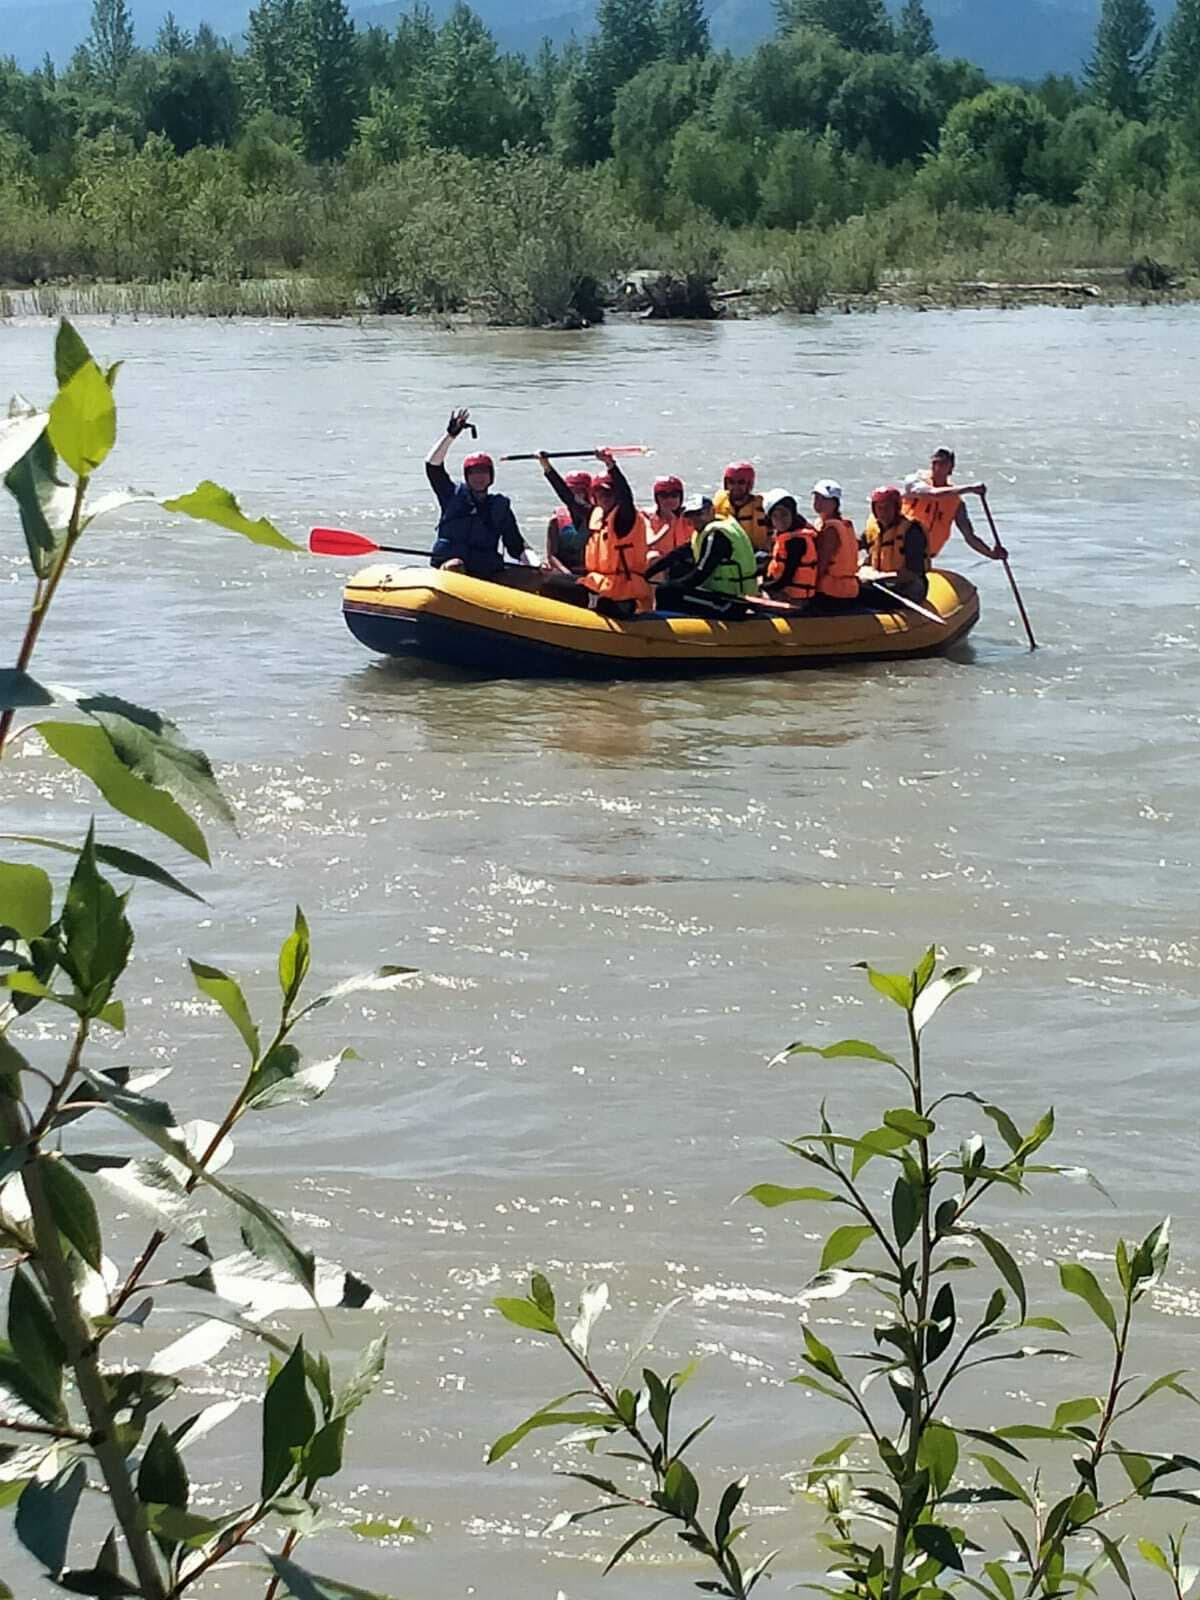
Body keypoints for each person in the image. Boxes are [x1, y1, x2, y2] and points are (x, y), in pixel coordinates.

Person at [543, 448, 652, 617]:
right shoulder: (596, 514)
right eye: (600, 493)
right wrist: (547, 467)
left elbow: (626, 495)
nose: (605, 497)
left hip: (624, 590)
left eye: (609, 493)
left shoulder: (625, 518)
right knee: (551, 583)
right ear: (594, 496)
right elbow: (569, 499)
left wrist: (610, 464)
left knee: (562, 589)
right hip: (601, 584)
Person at [426, 408, 532, 577]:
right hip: (451, 570)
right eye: (473, 473)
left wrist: (536, 564)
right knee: (456, 565)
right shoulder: (451, 494)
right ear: (467, 477)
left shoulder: (500, 507)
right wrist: (450, 436)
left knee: (533, 576)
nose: (479, 477)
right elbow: (433, 466)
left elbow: (516, 545)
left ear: (491, 477)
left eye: (483, 472)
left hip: (485, 572)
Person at [901, 448, 1007, 564]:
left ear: (951, 468)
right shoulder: (914, 481)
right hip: (901, 550)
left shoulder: (956, 502)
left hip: (925, 558)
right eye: (935, 462)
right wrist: (970, 488)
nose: (937, 466)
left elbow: (969, 536)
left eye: (943, 463)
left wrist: (992, 554)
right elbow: (933, 494)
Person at [647, 510, 758, 617]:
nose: (696, 519)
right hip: (720, 594)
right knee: (674, 577)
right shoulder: (701, 533)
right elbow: (677, 554)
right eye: (690, 515)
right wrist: (646, 573)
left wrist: (671, 586)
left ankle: (666, 631)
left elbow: (701, 573)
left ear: (711, 511)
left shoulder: (716, 535)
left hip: (732, 602)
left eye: (699, 513)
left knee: (666, 593)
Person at [862, 485, 928, 597]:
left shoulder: (912, 531)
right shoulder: (874, 529)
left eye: (887, 508)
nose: (883, 513)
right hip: (881, 583)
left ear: (896, 508)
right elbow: (857, 548)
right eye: (879, 508)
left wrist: (879, 577)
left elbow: (913, 573)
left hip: (909, 587)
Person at [761, 489, 819, 606]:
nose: (780, 520)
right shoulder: (786, 536)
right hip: (786, 592)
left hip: (794, 599)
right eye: (775, 516)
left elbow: (786, 578)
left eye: (784, 514)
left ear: (792, 514)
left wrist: (763, 587)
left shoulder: (797, 541)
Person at [810, 479, 860, 606]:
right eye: (816, 497)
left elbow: (822, 563)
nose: (818, 502)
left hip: (833, 591)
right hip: (847, 589)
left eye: (824, 499)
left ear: (835, 503)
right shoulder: (843, 524)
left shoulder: (831, 529)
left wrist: (808, 587)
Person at [711, 461, 769, 552]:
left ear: (749, 484)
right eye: (731, 482)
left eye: (741, 482)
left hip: (757, 557)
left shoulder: (763, 507)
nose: (735, 486)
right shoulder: (719, 505)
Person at [545, 468, 594, 575]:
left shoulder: (597, 515)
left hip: (591, 571)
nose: (576, 494)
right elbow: (551, 556)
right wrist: (566, 572)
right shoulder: (555, 520)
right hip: (564, 572)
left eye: (580, 490)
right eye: (572, 490)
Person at [647, 475, 693, 558]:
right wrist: (669, 524)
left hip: (685, 561)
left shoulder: (690, 516)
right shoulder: (647, 517)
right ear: (657, 498)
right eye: (664, 496)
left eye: (674, 495)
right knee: (652, 556)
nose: (669, 500)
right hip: (661, 563)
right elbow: (650, 542)